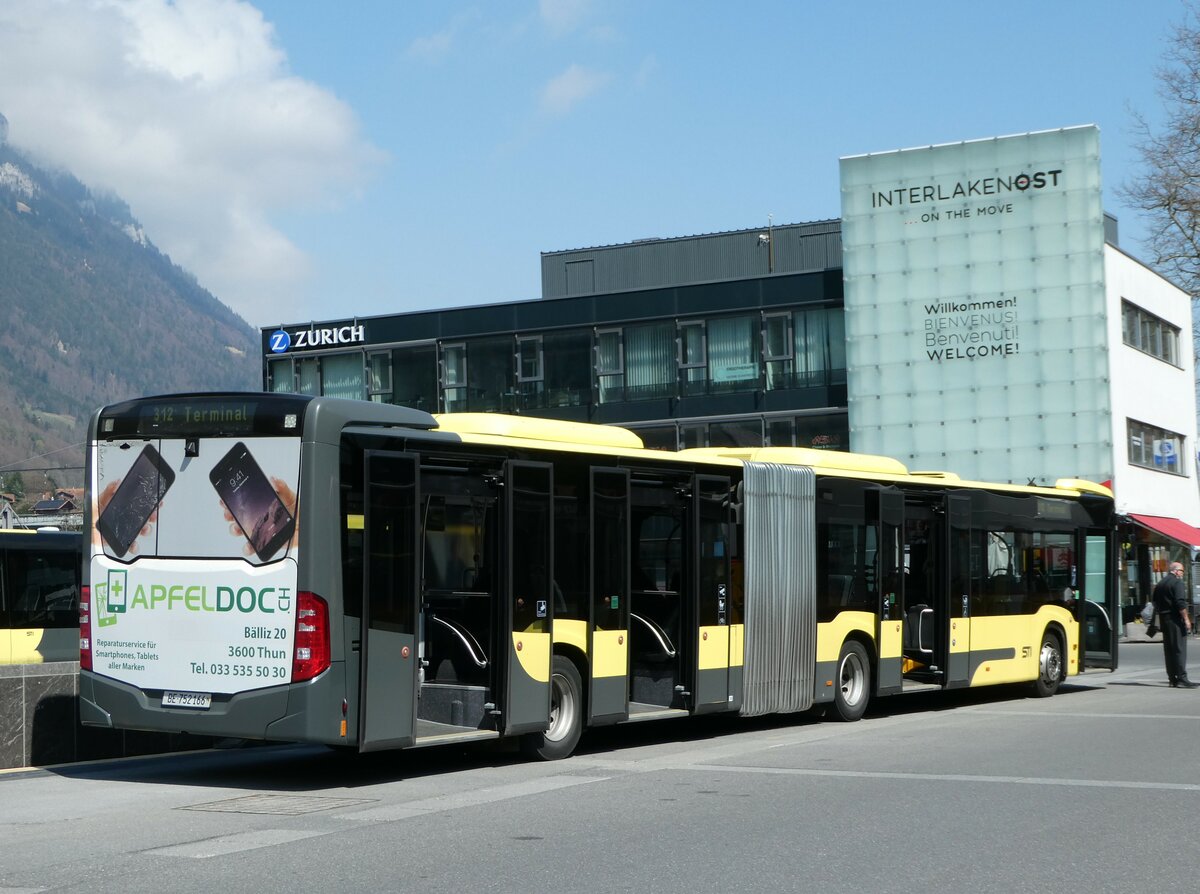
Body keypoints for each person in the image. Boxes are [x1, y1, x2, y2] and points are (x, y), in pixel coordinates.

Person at [1153, 561, 1197, 687]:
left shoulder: (1160, 584)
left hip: (1164, 619)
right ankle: (1182, 678)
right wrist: (1187, 619)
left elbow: (1155, 602)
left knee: (1169, 649)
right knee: (1179, 649)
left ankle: (1172, 678)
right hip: (1175, 619)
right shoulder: (1177, 583)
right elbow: (1180, 603)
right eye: (1182, 571)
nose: (1182, 574)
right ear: (1176, 571)